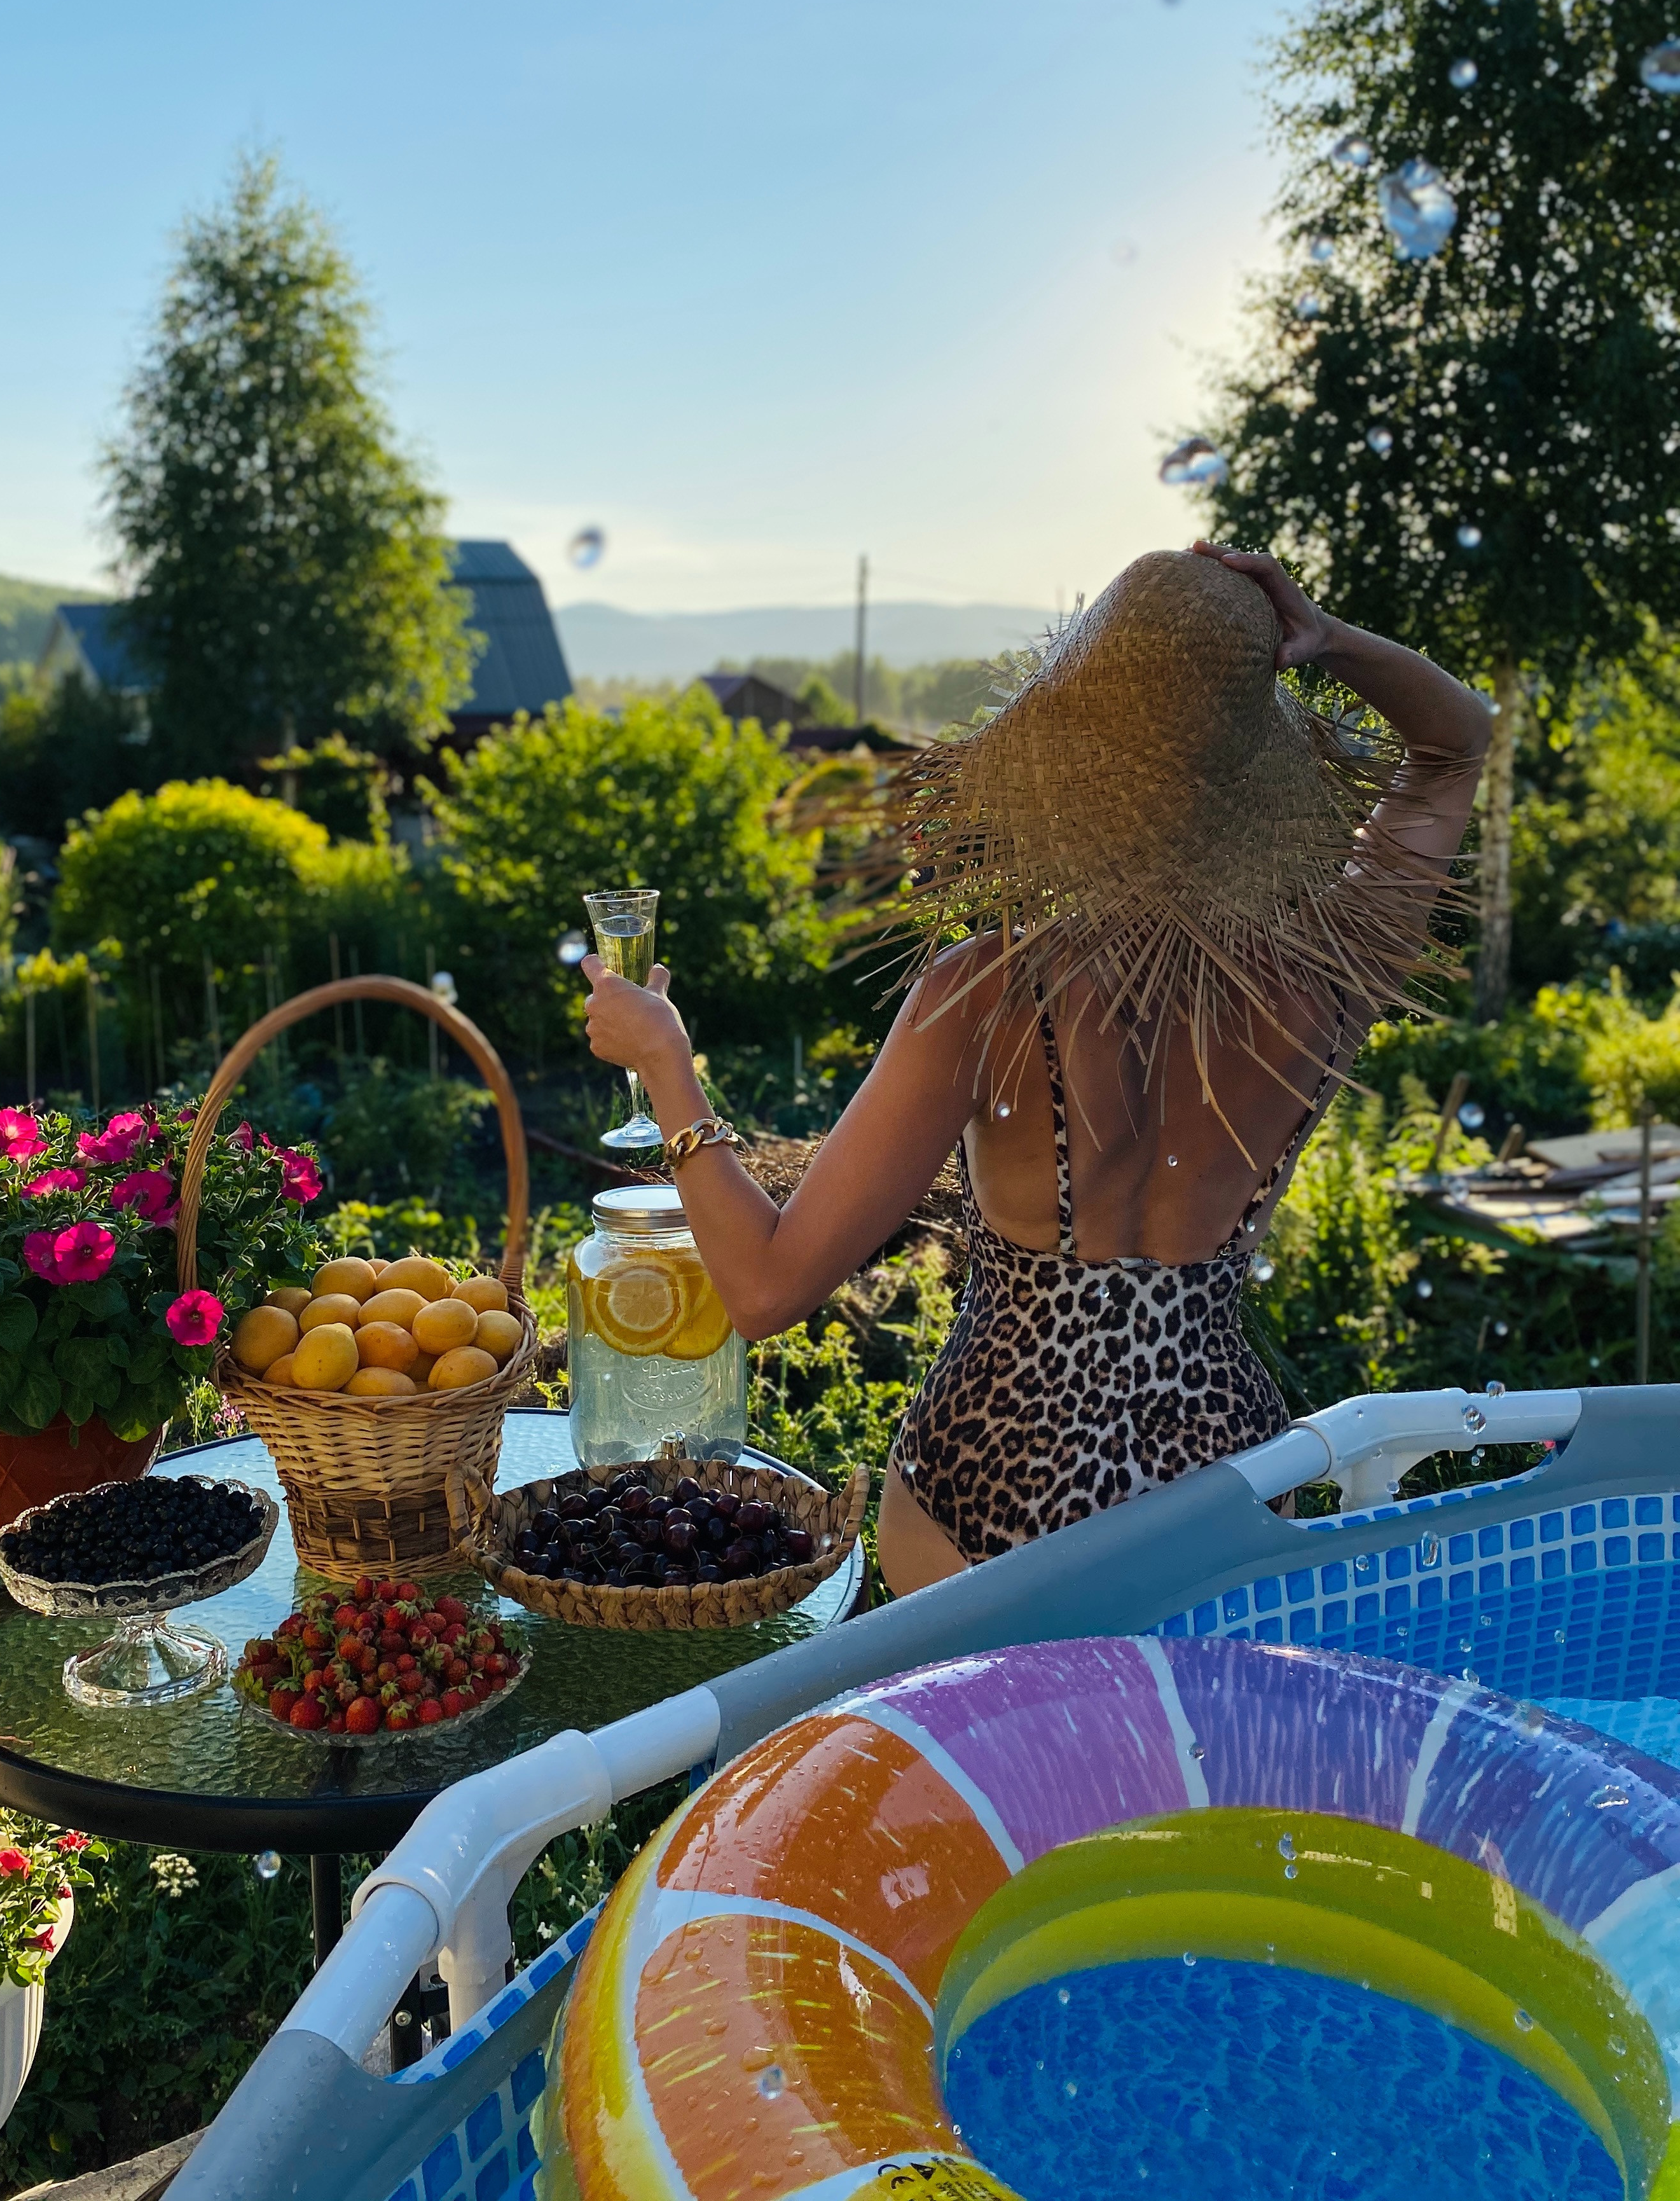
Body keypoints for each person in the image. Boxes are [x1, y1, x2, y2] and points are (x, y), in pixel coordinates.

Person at [581, 544, 1490, 1596]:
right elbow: (1457, 743)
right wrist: (1324, 638)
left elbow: (765, 1287)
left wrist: (667, 1062)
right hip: (1224, 1504)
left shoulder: (988, 994)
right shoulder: (1332, 971)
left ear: (1067, 765)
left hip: (985, 1504)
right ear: (1257, 785)